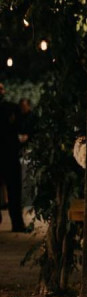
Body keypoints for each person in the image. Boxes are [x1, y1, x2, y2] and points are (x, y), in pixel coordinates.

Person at [0, 83, 25, 232]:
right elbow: (20, 127)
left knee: (14, 190)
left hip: (9, 153)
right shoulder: (11, 108)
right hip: (9, 153)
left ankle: (17, 223)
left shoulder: (12, 108)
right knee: (14, 191)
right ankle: (17, 223)